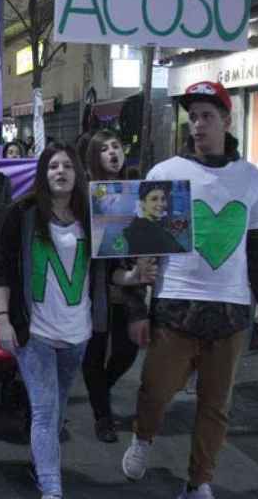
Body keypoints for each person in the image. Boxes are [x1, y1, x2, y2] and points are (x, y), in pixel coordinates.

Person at [121, 81, 258, 499]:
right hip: (175, 308)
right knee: (155, 390)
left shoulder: (250, 180)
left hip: (230, 314)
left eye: (207, 116)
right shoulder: (167, 174)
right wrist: (137, 310)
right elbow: (143, 251)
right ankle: (143, 436)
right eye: (192, 116)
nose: (197, 124)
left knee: (215, 407)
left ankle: (198, 481)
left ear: (227, 121)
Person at [0, 142, 95, 499]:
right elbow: (2, 269)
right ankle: (51, 486)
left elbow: (104, 273)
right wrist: (3, 318)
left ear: (77, 174)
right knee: (45, 409)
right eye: (53, 166)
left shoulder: (94, 215)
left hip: (77, 330)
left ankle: (42, 463)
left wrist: (133, 278)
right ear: (43, 173)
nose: (61, 172)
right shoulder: (20, 214)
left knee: (58, 407)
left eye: (68, 165)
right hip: (33, 330)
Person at [80, 130, 152, 444]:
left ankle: (101, 390)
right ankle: (102, 416)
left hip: (131, 289)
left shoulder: (138, 191)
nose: (112, 153)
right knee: (94, 352)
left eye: (116, 146)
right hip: (94, 287)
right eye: (104, 148)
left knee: (126, 351)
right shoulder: (84, 194)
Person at [120, 181, 185, 255]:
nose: (161, 204)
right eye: (154, 199)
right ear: (142, 203)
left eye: (163, 199)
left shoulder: (139, 225)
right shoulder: (144, 232)